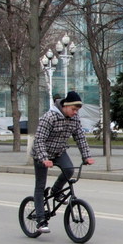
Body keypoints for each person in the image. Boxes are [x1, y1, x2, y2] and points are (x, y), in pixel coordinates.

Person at [31, 91, 95, 233]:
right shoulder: (49, 117)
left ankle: (56, 191)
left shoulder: (74, 118)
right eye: (73, 109)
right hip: (42, 154)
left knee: (69, 170)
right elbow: (39, 140)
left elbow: (80, 137)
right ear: (66, 106)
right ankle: (41, 220)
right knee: (40, 186)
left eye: (77, 110)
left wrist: (86, 156)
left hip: (59, 151)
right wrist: (44, 158)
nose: (75, 112)